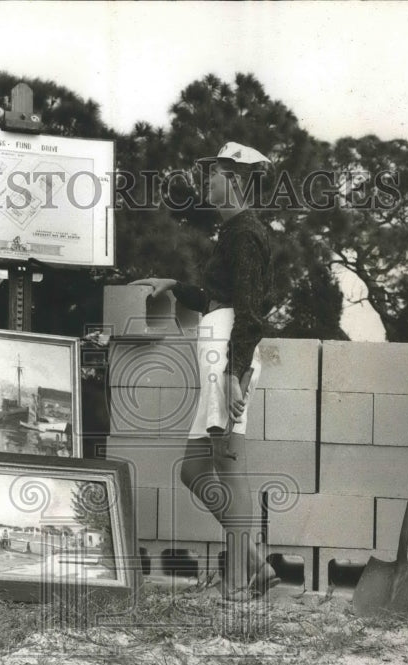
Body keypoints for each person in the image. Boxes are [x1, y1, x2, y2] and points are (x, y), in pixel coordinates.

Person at [133, 142, 279, 602]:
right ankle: (254, 562)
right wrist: (175, 285)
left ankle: (237, 582)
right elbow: (219, 296)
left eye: (215, 174)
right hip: (217, 349)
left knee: (226, 464)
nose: (208, 181)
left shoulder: (245, 232)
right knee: (195, 469)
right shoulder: (233, 232)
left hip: (228, 352)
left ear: (235, 180)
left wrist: (236, 373)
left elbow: (252, 312)